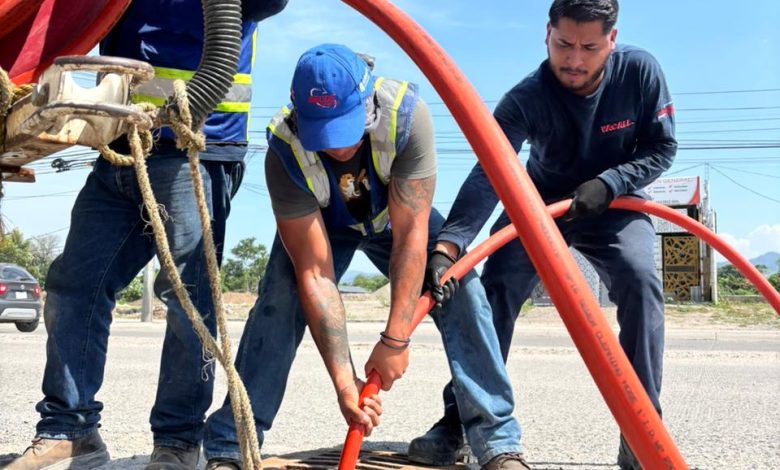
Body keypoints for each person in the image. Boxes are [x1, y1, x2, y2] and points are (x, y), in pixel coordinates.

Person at [201, 43, 528, 470]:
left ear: (367, 99)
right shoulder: (285, 148)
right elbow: (315, 273)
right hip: (327, 227)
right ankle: (232, 443)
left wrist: (395, 340)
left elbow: (411, 238)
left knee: (459, 285)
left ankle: (497, 441)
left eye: (345, 128)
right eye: (323, 132)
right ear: (298, 112)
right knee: (280, 295)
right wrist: (344, 383)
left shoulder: (407, 118)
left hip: (396, 221)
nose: (337, 149)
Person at [2, 1, 288, 469]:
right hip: (119, 139)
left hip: (197, 141)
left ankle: (177, 442)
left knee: (187, 296)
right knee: (74, 284)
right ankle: (69, 428)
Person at [409, 1, 676, 469]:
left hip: (615, 202)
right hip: (539, 203)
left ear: (611, 41)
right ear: (546, 35)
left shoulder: (640, 72)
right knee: (494, 290)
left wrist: (611, 182)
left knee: (641, 281)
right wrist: (449, 244)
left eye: (589, 47)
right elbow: (490, 171)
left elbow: (662, 147)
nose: (574, 59)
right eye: (563, 44)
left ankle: (642, 431)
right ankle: (460, 422)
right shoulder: (526, 97)